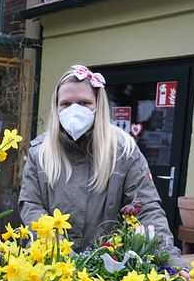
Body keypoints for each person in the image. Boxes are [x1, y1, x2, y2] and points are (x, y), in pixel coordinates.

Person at [19, 64, 183, 264]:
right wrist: (60, 250)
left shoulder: (124, 151)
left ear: (98, 105)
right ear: (56, 107)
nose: (74, 110)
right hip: (50, 265)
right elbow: (31, 206)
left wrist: (170, 260)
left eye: (84, 102)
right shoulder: (40, 152)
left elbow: (147, 210)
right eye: (66, 104)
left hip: (106, 269)